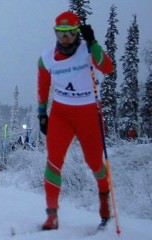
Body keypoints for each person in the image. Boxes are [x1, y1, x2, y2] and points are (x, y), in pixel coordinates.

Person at [37, 11, 114, 230]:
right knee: (53, 161)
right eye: (60, 34)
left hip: (88, 113)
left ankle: (104, 204)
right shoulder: (46, 58)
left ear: (77, 32)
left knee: (94, 163)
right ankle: (52, 215)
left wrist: (94, 43)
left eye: (70, 33)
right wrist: (42, 113)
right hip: (61, 114)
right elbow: (42, 87)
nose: (65, 39)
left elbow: (107, 68)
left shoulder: (88, 50)